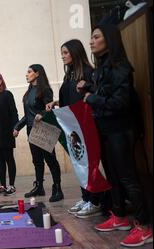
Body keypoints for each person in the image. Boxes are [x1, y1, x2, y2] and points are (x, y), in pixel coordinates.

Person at [80, 24, 152, 247]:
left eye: (96, 37)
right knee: (112, 175)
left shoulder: (120, 67)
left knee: (128, 177)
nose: (91, 41)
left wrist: (91, 97)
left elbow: (120, 102)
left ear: (109, 40)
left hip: (121, 129)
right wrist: (88, 87)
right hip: (107, 129)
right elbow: (104, 92)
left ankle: (145, 226)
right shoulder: (101, 68)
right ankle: (119, 216)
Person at [44, 39, 104, 218]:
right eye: (62, 53)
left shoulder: (87, 72)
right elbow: (69, 97)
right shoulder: (69, 74)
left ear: (75, 52)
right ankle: (86, 197)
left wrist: (87, 87)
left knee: (88, 163)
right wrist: (56, 103)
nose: (62, 56)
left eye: (65, 53)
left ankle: (95, 200)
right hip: (72, 127)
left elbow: (97, 92)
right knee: (79, 163)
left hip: (85, 125)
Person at [14, 64, 64, 202]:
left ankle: (58, 188)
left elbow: (49, 109)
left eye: (29, 72)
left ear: (37, 73)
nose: (26, 74)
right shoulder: (29, 91)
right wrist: (17, 127)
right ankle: (39, 187)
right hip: (31, 129)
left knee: (50, 158)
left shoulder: (45, 90)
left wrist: (42, 114)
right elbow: (28, 115)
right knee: (37, 160)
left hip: (44, 128)